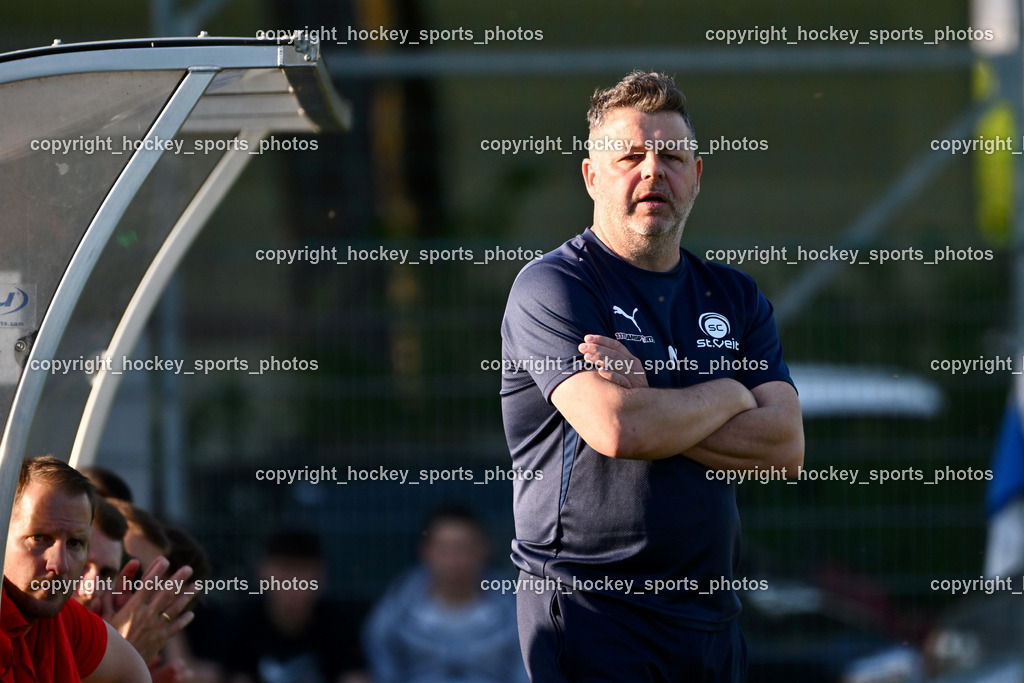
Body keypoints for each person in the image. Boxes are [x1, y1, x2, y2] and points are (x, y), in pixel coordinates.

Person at [500, 70, 804, 681]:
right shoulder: (554, 286)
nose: (651, 170)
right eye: (630, 155)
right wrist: (729, 392)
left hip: (710, 618)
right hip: (592, 610)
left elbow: (785, 446)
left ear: (696, 176)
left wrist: (654, 401)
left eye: (670, 156)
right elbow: (617, 429)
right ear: (591, 175)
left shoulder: (736, 295)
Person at [1, 455, 151, 681]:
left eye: (74, 543)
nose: (60, 565)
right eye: (39, 538)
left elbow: (133, 674)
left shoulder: (62, 619)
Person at [363, 505, 526, 683]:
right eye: (445, 549)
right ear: (425, 551)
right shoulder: (396, 607)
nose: (454, 559)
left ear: (485, 549)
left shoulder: (516, 609)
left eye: (464, 548)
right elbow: (382, 665)